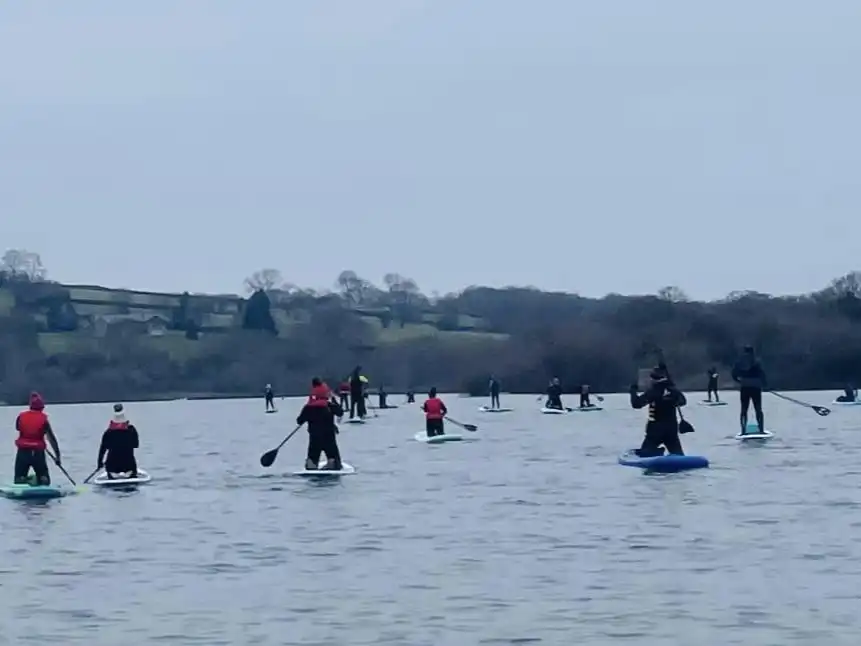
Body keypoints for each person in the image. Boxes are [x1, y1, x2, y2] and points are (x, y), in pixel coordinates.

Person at [630, 366, 687, 456]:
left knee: (645, 454)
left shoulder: (653, 391)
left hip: (655, 431)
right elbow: (683, 402)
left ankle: (656, 452)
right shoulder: (673, 390)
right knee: (678, 454)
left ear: (653, 379)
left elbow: (636, 404)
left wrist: (633, 391)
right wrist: (673, 390)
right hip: (671, 430)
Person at [14, 392, 61, 485]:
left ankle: (24, 480)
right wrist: (57, 457)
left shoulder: (21, 417)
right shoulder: (44, 420)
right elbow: (52, 439)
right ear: (42, 407)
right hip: (38, 453)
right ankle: (41, 480)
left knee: (19, 479)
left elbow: (18, 428)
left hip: (23, 451)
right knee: (44, 479)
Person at [297, 378, 343, 470]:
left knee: (313, 456)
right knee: (334, 457)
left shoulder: (308, 407)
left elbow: (299, 421)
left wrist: (306, 416)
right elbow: (340, 412)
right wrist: (334, 400)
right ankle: (332, 462)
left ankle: (311, 463)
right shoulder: (329, 406)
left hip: (314, 438)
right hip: (328, 437)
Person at [97, 404, 140, 478]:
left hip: (112, 468)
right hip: (129, 467)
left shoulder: (108, 432)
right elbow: (136, 445)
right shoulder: (132, 430)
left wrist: (99, 464)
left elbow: (102, 450)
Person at [732, 345, 767, 434]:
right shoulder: (757, 362)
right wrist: (764, 384)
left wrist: (739, 381)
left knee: (744, 409)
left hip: (745, 387)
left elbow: (734, 374)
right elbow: (762, 374)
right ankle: (761, 430)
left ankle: (743, 430)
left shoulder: (739, 362)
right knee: (758, 409)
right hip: (756, 387)